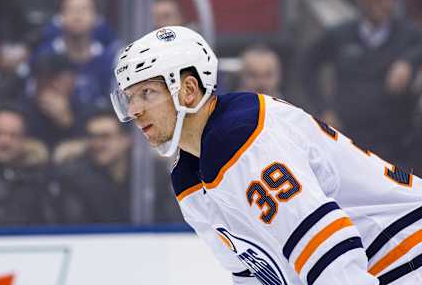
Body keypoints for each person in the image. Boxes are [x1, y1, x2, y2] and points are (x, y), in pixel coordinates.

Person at [110, 26, 422, 284]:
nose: (135, 110)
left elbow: (329, 251)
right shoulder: (188, 178)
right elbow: (255, 273)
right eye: (129, 98)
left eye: (147, 93)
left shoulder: (243, 137)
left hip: (406, 258)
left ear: (188, 90)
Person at [301, 0, 422, 166]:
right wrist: (322, 109)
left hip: (395, 146)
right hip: (349, 143)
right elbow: (306, 66)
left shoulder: (408, 35)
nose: (386, 4)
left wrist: (409, 61)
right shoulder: (340, 35)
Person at [53, 110, 182, 224]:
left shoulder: (150, 174)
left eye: (105, 137)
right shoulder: (76, 177)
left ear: (125, 140)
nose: (97, 144)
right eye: (92, 137)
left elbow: (169, 218)